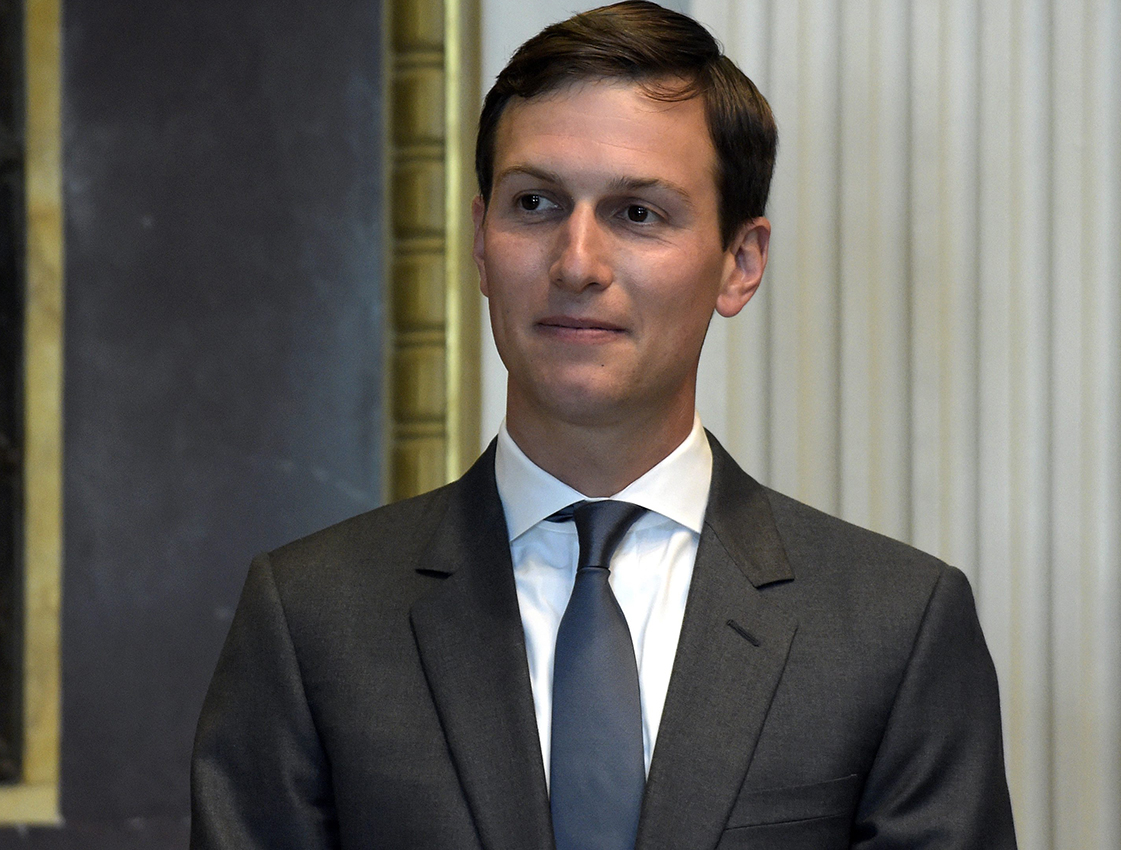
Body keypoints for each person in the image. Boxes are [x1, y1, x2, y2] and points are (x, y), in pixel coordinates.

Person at [190, 2, 1018, 848]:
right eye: (537, 203)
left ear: (741, 263)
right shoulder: (310, 619)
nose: (577, 263)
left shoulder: (893, 627)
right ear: (480, 242)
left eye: (637, 214)